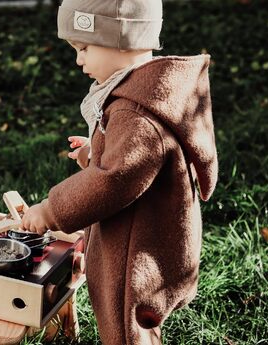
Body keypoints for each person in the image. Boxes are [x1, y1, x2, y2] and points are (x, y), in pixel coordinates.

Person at [20, 0, 218, 344]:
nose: (78, 59)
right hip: (143, 232)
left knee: (125, 322)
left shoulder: (137, 112)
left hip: (137, 249)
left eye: (83, 48)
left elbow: (116, 178)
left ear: (121, 40)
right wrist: (97, 149)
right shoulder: (148, 90)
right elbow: (132, 156)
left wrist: (52, 210)